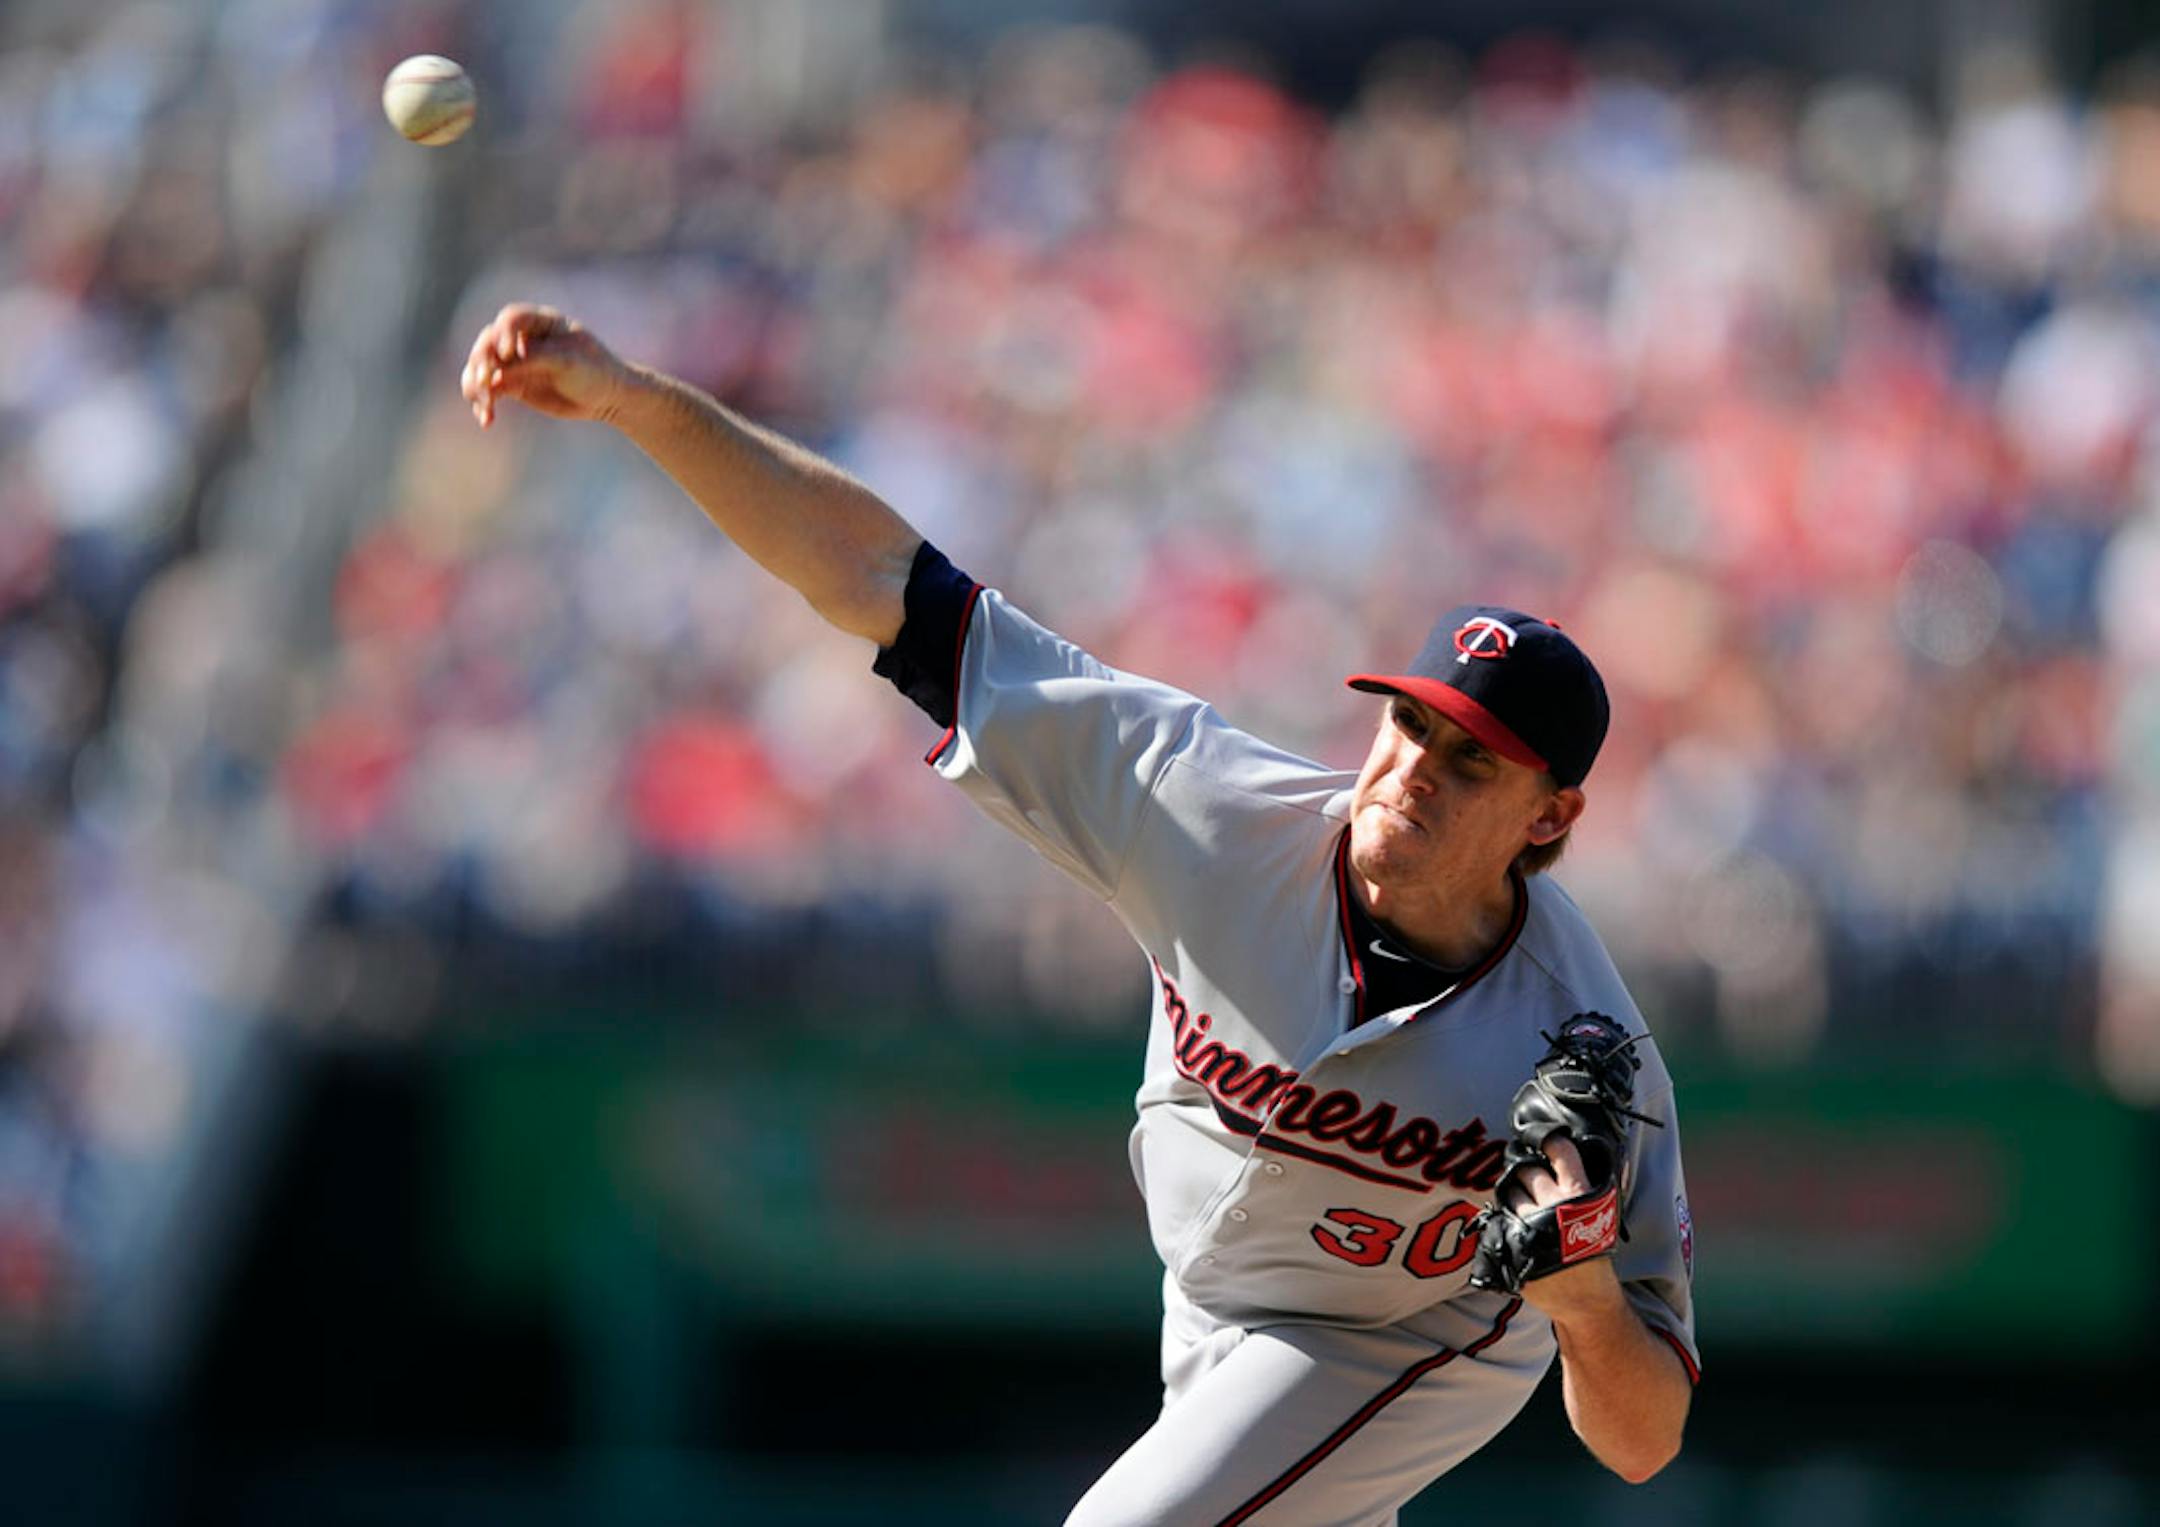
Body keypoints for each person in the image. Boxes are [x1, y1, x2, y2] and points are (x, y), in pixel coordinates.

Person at [460, 303, 1697, 1524]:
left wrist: (1585, 1304)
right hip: (1209, 1308)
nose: (1413, 767)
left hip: (1412, 1342)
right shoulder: (1206, 811)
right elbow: (888, 585)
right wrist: (635, 399)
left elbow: (1643, 1443)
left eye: (1469, 760)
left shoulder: (1584, 1048)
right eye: (1410, 723)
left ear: (1549, 816)